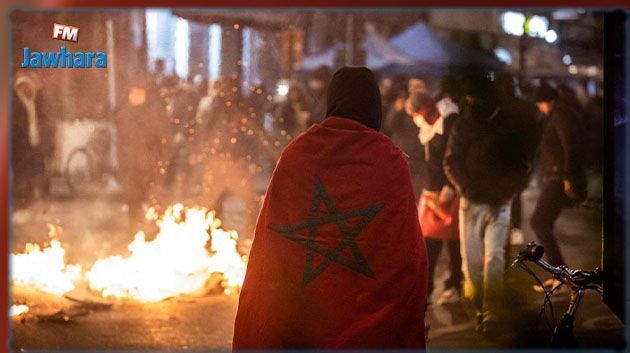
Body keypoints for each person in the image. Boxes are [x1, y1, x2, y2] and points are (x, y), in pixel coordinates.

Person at [233, 67, 428, 349]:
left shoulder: (298, 152)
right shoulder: (388, 160)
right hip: (369, 327)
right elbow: (406, 254)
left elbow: (271, 246)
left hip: (302, 323)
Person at [444, 73, 535, 337]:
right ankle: (481, 303)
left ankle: (490, 312)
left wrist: (506, 190)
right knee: (471, 263)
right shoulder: (463, 126)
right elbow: (450, 162)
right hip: (471, 203)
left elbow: (521, 166)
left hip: (498, 204)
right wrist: (465, 188)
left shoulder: (506, 127)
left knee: (494, 258)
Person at [408, 82, 463, 305]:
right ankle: (426, 289)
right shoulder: (428, 124)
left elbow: (454, 156)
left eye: (416, 114)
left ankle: (455, 284)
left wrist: (451, 185)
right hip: (430, 191)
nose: (416, 119)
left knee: (453, 243)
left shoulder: (450, 122)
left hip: (449, 191)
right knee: (428, 244)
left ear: (424, 110)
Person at [530, 81, 586, 291]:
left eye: (540, 103)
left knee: (539, 221)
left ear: (549, 101)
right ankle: (560, 275)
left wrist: (568, 176)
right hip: (555, 175)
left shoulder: (561, 115)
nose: (539, 108)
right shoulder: (557, 114)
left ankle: (561, 276)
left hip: (559, 176)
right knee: (542, 222)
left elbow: (569, 145)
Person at [382, 76, 429, 200]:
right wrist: (397, 110)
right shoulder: (402, 103)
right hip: (401, 156)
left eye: (418, 86)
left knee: (415, 197)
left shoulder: (429, 106)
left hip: (420, 160)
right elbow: (390, 125)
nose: (414, 90)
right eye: (412, 86)